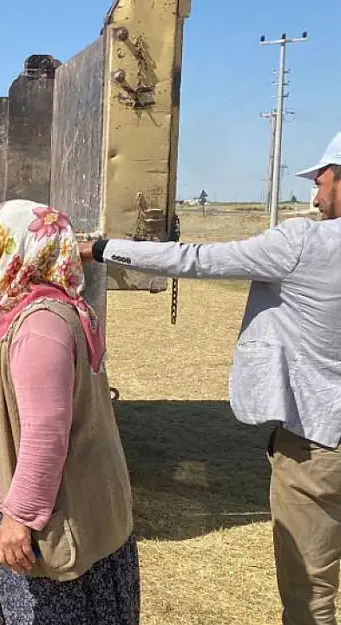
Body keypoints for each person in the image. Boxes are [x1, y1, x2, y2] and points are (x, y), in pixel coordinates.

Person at [79, 131, 341, 625]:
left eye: (322, 179)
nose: (315, 193)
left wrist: (101, 248)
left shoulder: (304, 242)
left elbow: (198, 260)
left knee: (311, 594)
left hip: (319, 442)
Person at [0, 199, 139, 624]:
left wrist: (19, 518)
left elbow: (45, 435)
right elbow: (3, 400)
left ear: (15, 246)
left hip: (46, 520)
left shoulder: (40, 328)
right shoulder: (18, 311)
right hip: (32, 504)